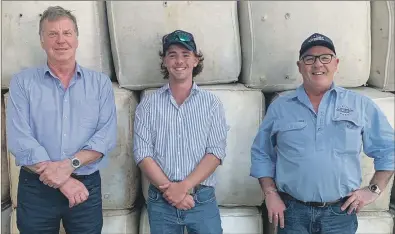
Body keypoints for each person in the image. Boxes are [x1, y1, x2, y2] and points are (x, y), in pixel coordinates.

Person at [250, 33, 395, 234]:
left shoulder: (359, 105)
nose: (318, 64)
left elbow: (388, 149)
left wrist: (374, 190)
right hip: (292, 213)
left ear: (336, 63)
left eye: (325, 57)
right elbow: (261, 153)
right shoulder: (280, 107)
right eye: (309, 58)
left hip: (340, 214)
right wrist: (270, 193)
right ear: (300, 66)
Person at [6, 6, 117, 234]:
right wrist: (64, 180)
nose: (61, 40)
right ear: (42, 41)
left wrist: (68, 166)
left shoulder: (100, 84)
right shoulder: (22, 83)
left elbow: (105, 137)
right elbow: (19, 139)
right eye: (52, 34)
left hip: (85, 185)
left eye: (67, 33)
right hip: (37, 188)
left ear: (76, 38)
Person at [133, 29, 229, 234]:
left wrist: (182, 188)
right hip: (161, 202)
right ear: (165, 62)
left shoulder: (211, 104)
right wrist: (171, 191)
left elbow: (215, 153)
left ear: (195, 60)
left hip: (201, 199)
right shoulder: (148, 105)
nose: (179, 61)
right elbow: (142, 154)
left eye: (186, 55)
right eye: (172, 55)